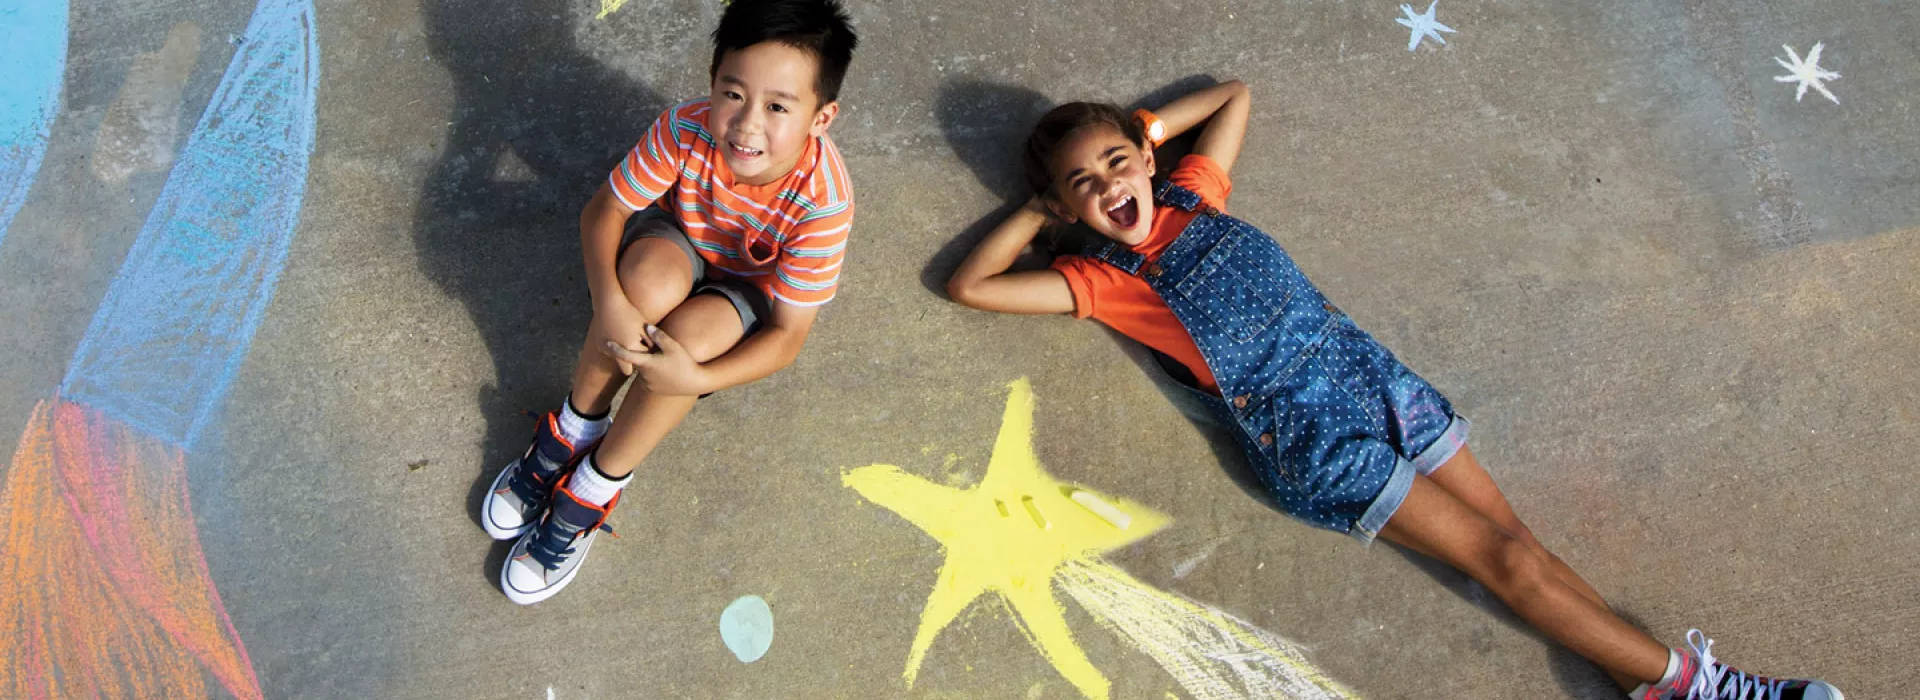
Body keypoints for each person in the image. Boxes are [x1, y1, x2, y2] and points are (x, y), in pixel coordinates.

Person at [944, 80, 1841, 700]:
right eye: (1083, 185)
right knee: (1508, 564)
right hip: (1317, 441)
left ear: (1146, 158)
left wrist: (1141, 131)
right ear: (1070, 208)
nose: (1110, 186)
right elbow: (972, 284)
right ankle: (1703, 686)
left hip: (1376, 380)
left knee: (1517, 541)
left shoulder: (1195, 195)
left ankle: (1643, 681)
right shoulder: (1106, 283)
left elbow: (1234, 96)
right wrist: (1039, 211)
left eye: (1116, 162)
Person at [482, 0, 858, 605]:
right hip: (681, 241)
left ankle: (597, 483)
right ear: (713, 81)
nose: (747, 123)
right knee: (644, 287)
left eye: (779, 106)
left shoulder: (824, 203)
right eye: (733, 94)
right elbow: (605, 211)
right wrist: (610, 303)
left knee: (683, 349)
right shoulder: (685, 128)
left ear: (822, 117)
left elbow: (787, 336)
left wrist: (697, 376)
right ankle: (576, 423)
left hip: (745, 293)